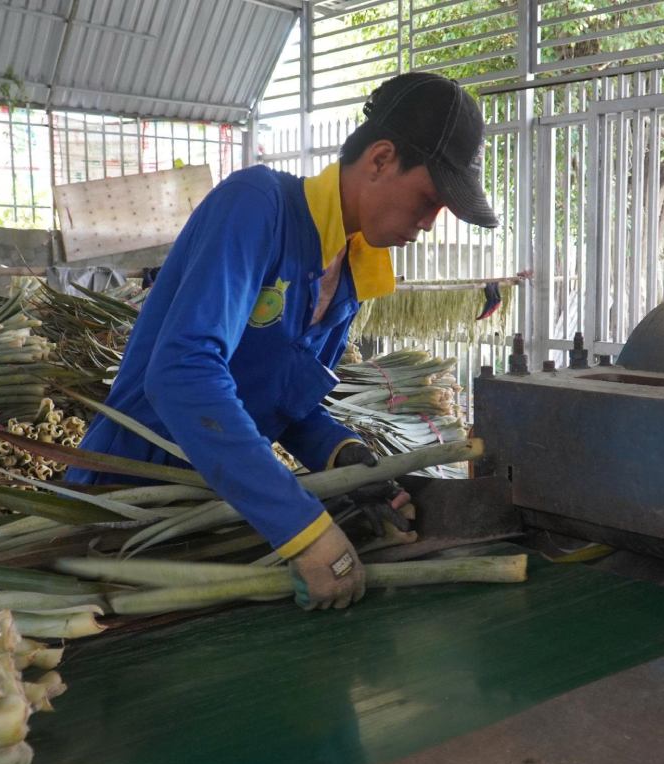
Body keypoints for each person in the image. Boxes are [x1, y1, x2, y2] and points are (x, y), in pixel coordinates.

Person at [66, 72, 498, 611]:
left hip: (214, 520)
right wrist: (302, 529)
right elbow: (182, 374)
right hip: (122, 510)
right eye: (429, 200)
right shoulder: (257, 207)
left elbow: (282, 404)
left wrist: (345, 459)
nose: (430, 223)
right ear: (381, 160)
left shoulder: (350, 279)